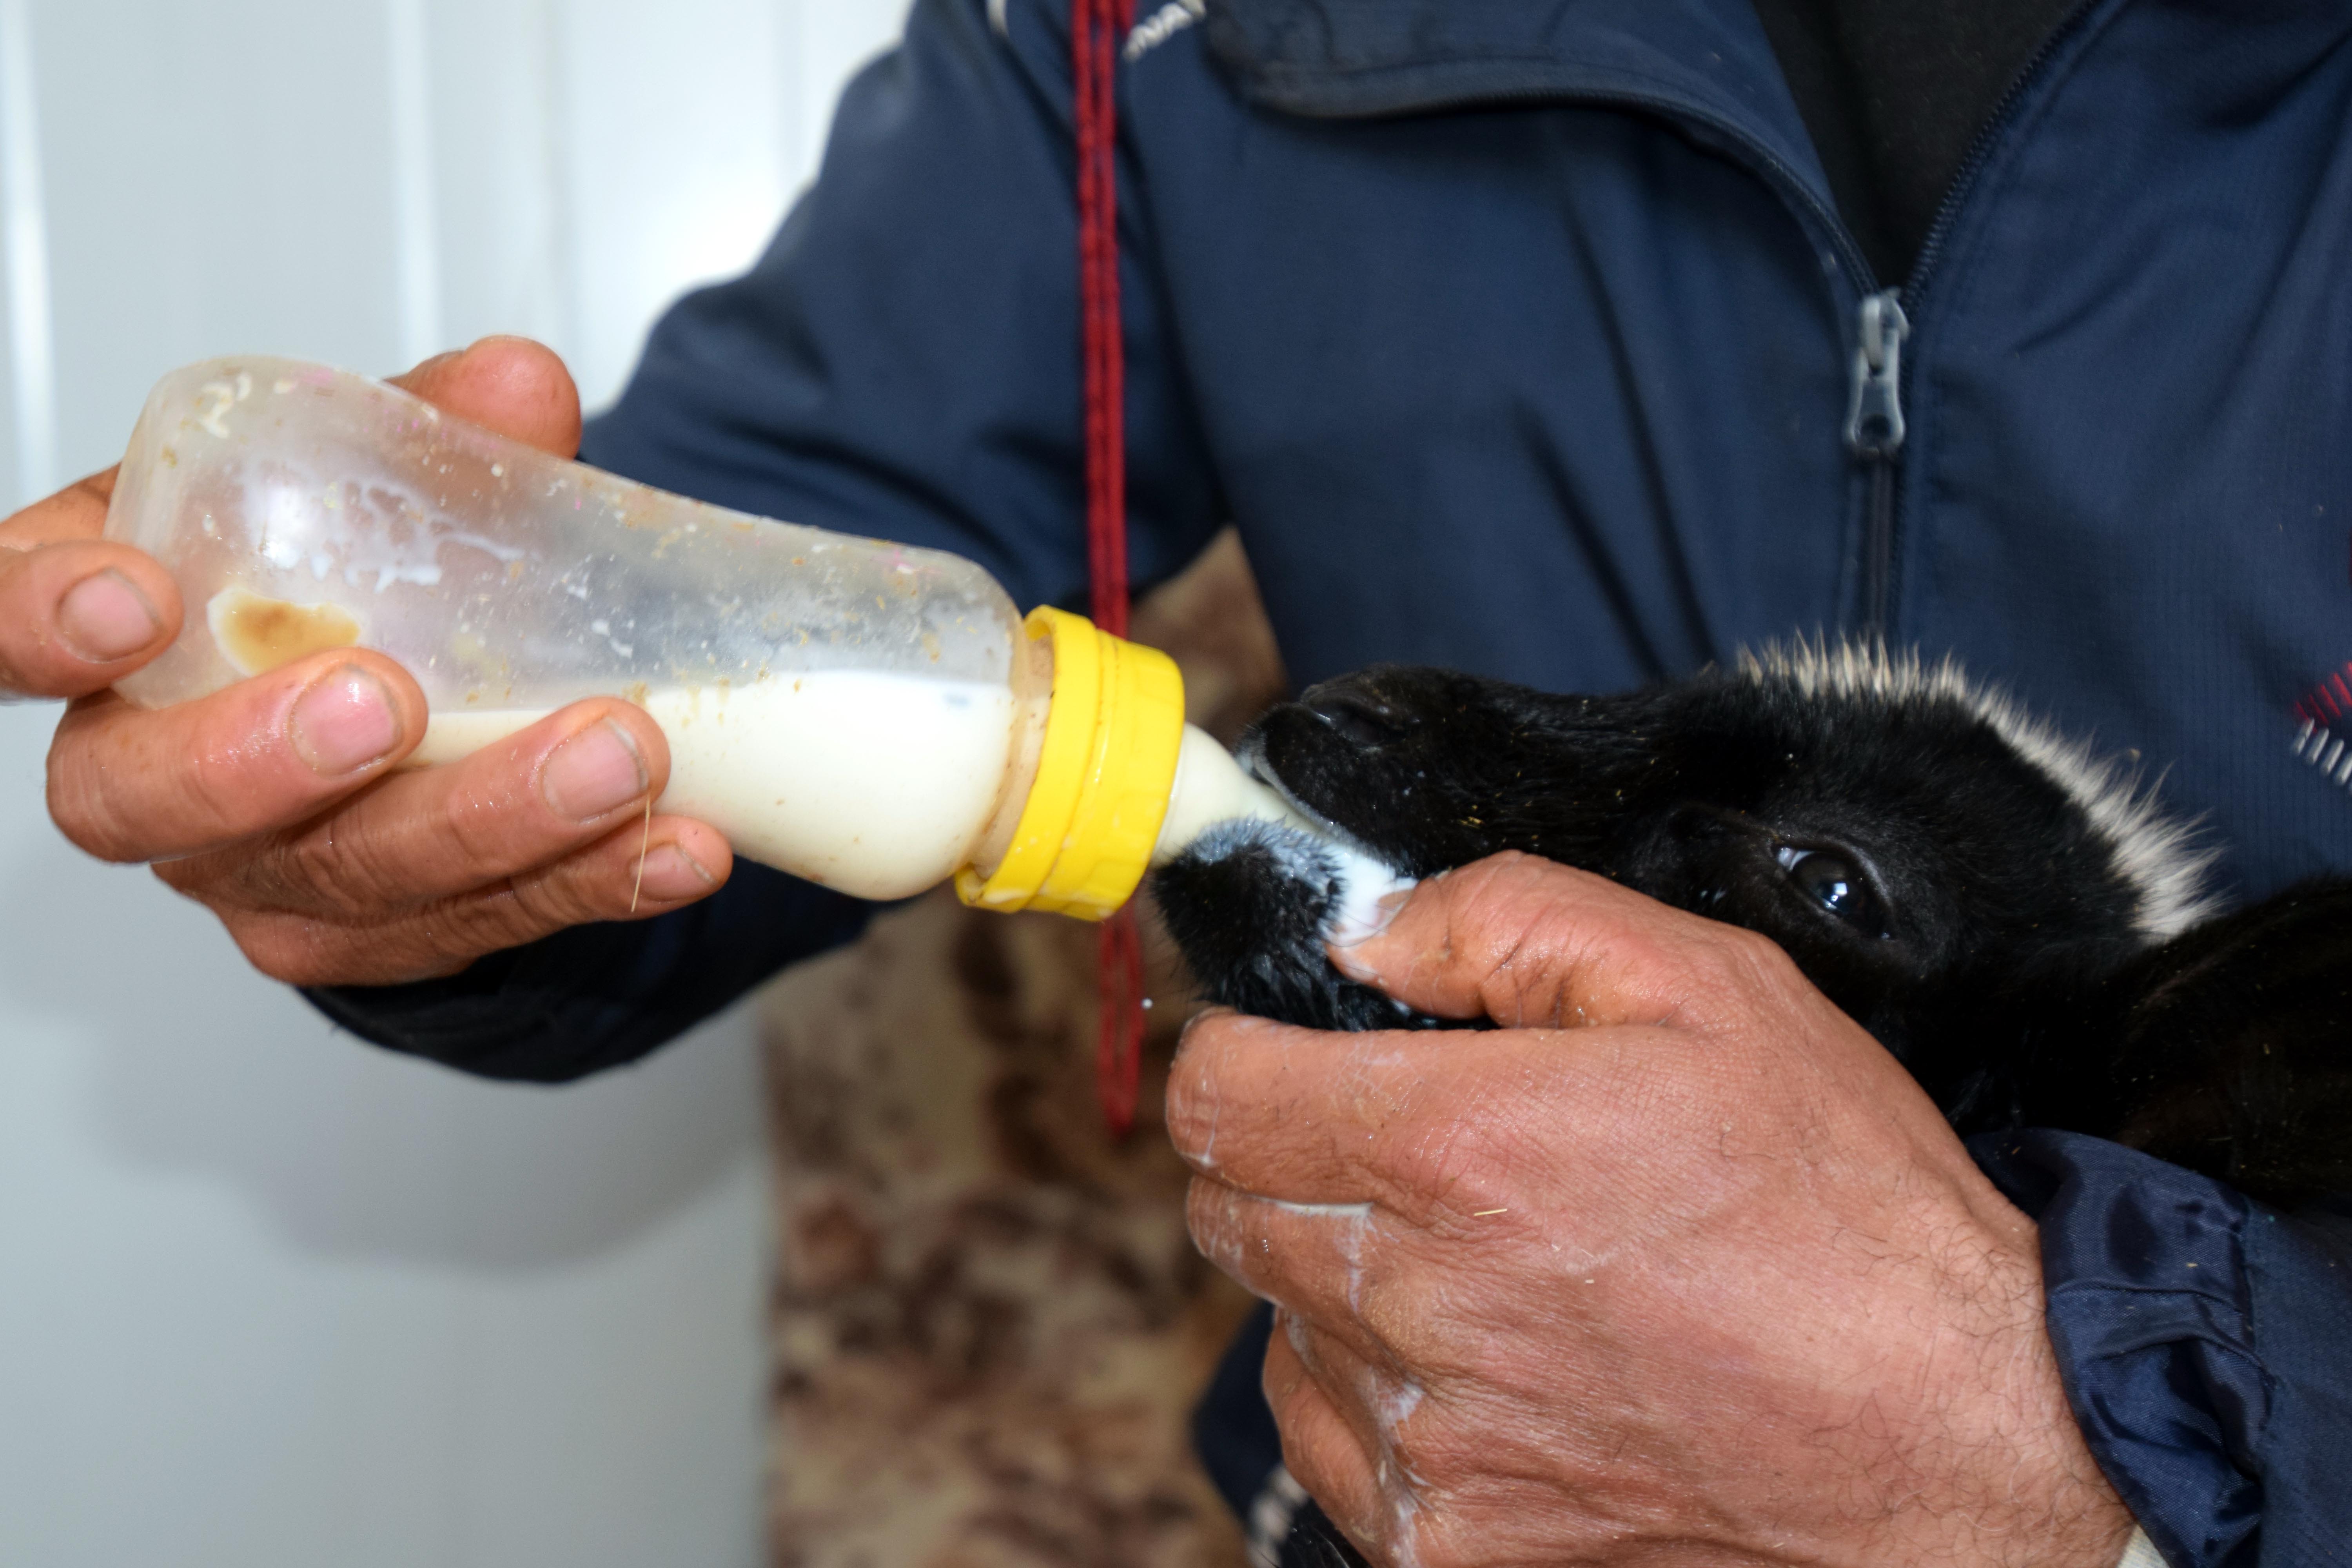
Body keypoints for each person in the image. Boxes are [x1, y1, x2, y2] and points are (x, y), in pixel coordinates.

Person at [10, 0, 2348, 1561]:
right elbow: (731, 614)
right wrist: (414, 765)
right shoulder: (1157, 30)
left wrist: (2098, 1445)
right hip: (1390, 1479)